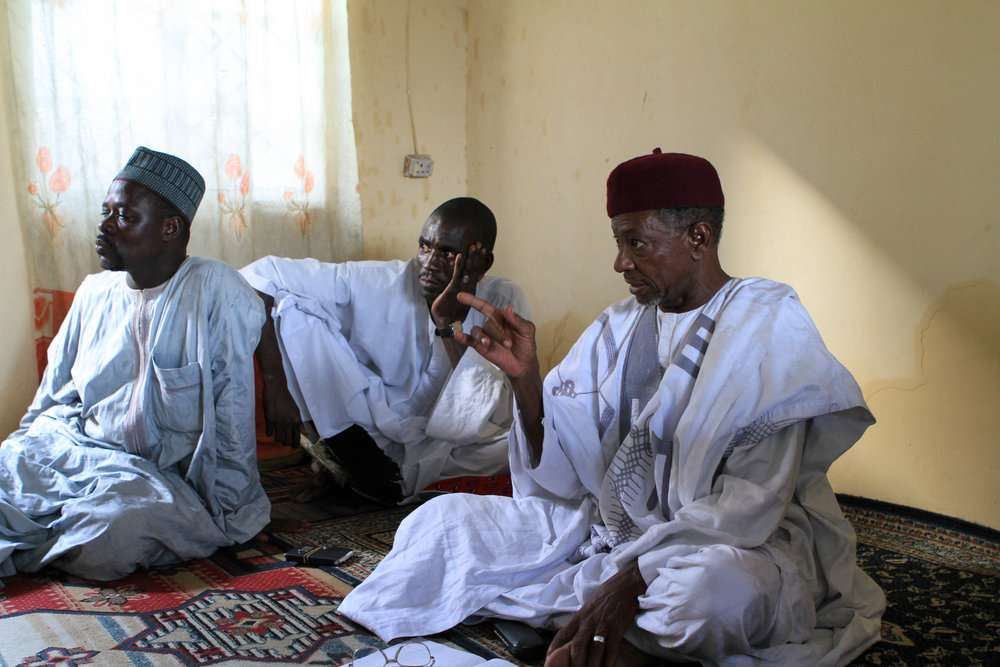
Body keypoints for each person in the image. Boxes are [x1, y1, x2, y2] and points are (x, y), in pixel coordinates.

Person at [337, 150, 886, 666]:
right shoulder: (616, 326)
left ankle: (625, 637)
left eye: (636, 243)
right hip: (607, 531)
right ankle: (622, 637)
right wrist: (527, 380)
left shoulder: (767, 324)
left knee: (714, 592)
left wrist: (627, 581)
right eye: (617, 241)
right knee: (441, 520)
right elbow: (562, 474)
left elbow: (749, 507)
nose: (620, 262)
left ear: (698, 237)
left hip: (731, 544)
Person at [0, 147, 271, 585]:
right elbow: (53, 393)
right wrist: (24, 453)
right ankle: (46, 533)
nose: (104, 226)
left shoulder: (211, 288)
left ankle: (42, 536)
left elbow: (231, 408)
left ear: (170, 228)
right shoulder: (94, 292)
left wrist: (232, 510)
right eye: (106, 212)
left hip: (156, 479)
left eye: (124, 216)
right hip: (82, 451)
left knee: (113, 535)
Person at [240, 197, 530, 504]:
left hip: (459, 445)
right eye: (425, 246)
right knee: (292, 311)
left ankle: (366, 481)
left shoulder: (503, 299)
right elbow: (258, 276)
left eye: (447, 253)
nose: (429, 263)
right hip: (378, 433)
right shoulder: (383, 280)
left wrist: (449, 323)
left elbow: (485, 413)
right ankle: (350, 467)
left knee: (520, 446)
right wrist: (276, 387)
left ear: (482, 263)